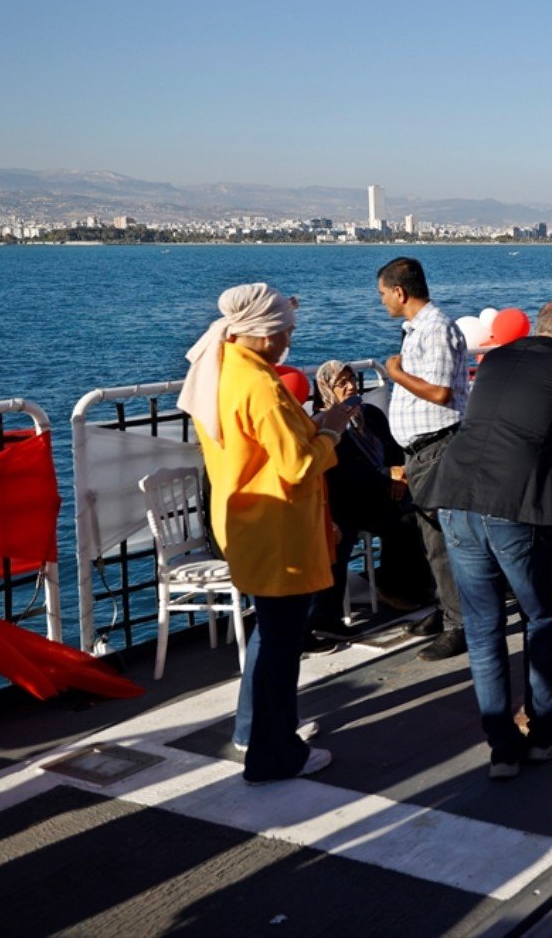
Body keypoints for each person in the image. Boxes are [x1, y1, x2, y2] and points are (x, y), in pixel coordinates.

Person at [181, 283, 350, 784]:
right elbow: (297, 463)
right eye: (284, 333)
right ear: (262, 331)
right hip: (278, 528)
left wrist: (314, 425)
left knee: (270, 635)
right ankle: (274, 750)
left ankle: (257, 730)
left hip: (244, 520)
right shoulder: (260, 384)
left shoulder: (225, 369)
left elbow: (260, 444)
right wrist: (333, 430)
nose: (288, 343)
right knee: (281, 644)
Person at [430, 300, 552, 779]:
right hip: (517, 504)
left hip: (456, 495)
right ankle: (544, 730)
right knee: (539, 617)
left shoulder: (498, 356)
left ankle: (502, 749)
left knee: (484, 628)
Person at [377, 257, 470, 662]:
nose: (381, 302)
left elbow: (441, 393)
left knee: (443, 539)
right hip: (421, 450)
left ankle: (459, 623)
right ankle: (447, 607)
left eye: (382, 294)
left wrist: (396, 375)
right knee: (431, 538)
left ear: (399, 292)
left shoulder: (435, 329)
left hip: (438, 446)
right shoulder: (419, 330)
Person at [312, 361, 432, 629]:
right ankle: (328, 616)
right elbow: (344, 471)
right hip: (345, 498)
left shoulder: (370, 415)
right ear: (326, 390)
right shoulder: (326, 422)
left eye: (352, 379)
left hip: (380, 490)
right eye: (342, 383)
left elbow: (393, 448)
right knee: (389, 521)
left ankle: (409, 588)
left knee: (416, 511)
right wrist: (386, 474)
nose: (351, 386)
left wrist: (399, 471)